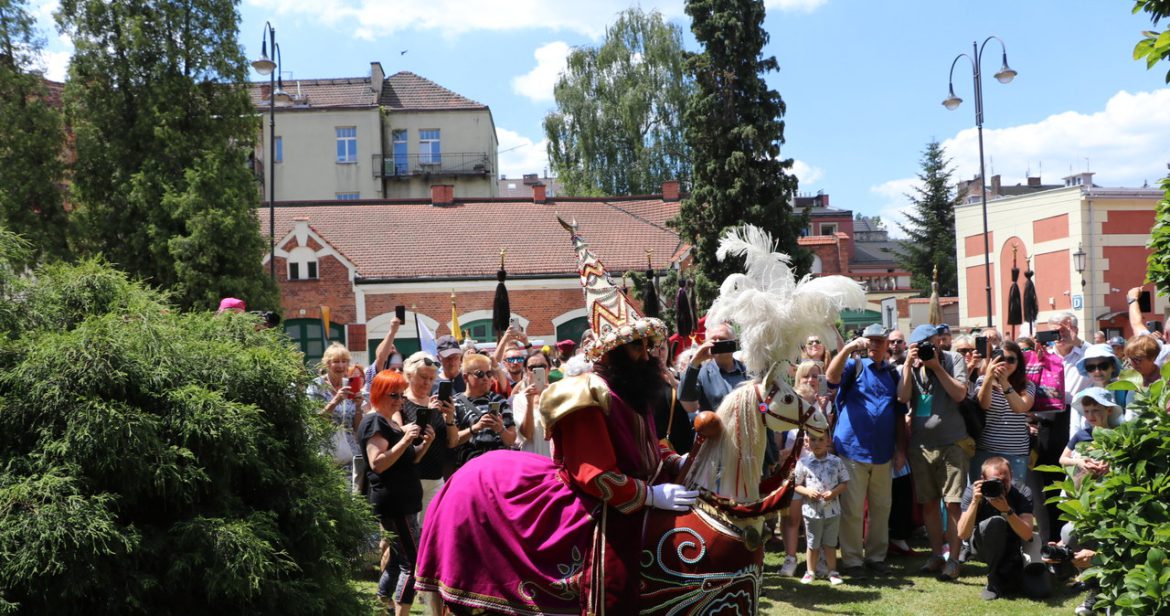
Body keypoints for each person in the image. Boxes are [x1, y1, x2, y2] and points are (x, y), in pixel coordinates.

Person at [414, 218, 694, 613]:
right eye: (636, 347)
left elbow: (646, 449)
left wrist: (674, 461)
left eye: (647, 345)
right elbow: (592, 474)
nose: (647, 354)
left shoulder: (638, 394)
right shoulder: (588, 395)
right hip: (586, 501)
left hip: (628, 495)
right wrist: (649, 495)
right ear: (613, 352)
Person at [825, 323, 903, 577]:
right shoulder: (853, 365)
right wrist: (847, 348)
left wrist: (900, 448)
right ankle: (853, 561)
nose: (874, 345)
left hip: (882, 452)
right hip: (852, 449)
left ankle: (876, 557)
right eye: (870, 340)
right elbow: (831, 377)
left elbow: (900, 415)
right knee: (853, 509)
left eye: (879, 341)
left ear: (887, 345)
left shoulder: (893, 374)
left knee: (882, 508)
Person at [358, 369, 435, 615]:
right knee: (413, 563)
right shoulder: (374, 421)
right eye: (394, 394)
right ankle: (401, 612)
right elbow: (377, 462)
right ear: (379, 393)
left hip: (405, 500)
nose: (399, 400)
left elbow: (409, 459)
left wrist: (425, 444)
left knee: (395, 561)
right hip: (394, 502)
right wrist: (404, 440)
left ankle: (383, 602)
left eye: (401, 395)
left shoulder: (391, 420)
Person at [898, 324, 970, 581]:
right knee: (928, 503)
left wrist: (936, 366)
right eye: (920, 346)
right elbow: (903, 397)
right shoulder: (912, 367)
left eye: (930, 343)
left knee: (952, 504)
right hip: (921, 446)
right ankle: (936, 554)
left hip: (952, 443)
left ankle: (954, 559)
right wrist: (908, 366)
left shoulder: (954, 359)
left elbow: (960, 394)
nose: (927, 349)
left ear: (939, 341)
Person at [778, 360, 834, 575]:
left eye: (815, 376)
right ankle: (790, 558)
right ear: (798, 378)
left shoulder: (825, 405)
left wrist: (821, 408)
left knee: (818, 518)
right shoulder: (787, 404)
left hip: (819, 470)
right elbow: (780, 435)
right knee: (791, 517)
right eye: (806, 376)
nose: (811, 380)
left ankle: (818, 558)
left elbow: (826, 435)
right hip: (794, 469)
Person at [957, 457, 1035, 601]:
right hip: (982, 545)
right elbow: (962, 533)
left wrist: (1007, 511)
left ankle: (1011, 572)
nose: (1001, 486)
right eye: (995, 481)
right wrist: (975, 502)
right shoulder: (973, 491)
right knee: (996, 522)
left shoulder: (1022, 491)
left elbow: (1027, 534)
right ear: (983, 479)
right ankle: (994, 580)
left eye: (1005, 481)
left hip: (1014, 545)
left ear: (1011, 474)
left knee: (1039, 591)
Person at [398, 352, 458, 524]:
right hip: (411, 476)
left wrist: (450, 418)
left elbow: (452, 442)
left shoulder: (435, 402)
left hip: (435, 477)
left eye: (432, 379)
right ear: (409, 375)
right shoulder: (400, 401)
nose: (427, 383)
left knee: (433, 530)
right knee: (408, 534)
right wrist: (430, 413)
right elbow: (399, 433)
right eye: (423, 377)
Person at [794, 432, 850, 586]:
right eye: (813, 440)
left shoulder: (836, 461)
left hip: (833, 511)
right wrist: (808, 492)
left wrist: (833, 493)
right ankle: (810, 572)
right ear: (807, 441)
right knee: (813, 544)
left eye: (820, 440)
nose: (816, 443)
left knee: (830, 544)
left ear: (828, 441)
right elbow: (796, 484)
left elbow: (844, 482)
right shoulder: (803, 462)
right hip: (811, 512)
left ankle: (832, 572)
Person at [306, 343, 364, 482]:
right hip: (327, 453)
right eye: (336, 361)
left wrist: (357, 407)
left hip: (350, 455)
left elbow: (357, 428)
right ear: (327, 364)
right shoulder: (317, 386)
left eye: (344, 361)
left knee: (353, 497)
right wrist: (336, 400)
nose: (341, 366)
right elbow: (315, 421)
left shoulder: (349, 384)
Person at [451, 352, 516, 468]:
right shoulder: (455, 403)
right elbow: (452, 441)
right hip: (471, 469)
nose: (486, 378)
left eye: (489, 374)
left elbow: (511, 440)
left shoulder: (500, 401)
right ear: (465, 377)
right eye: (480, 374)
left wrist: (501, 429)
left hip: (500, 467)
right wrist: (476, 428)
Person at [510, 349, 553, 457]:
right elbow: (527, 435)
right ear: (525, 370)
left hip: (555, 456)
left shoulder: (558, 393)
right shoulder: (519, 399)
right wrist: (529, 401)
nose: (536, 370)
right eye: (532, 368)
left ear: (549, 369)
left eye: (542, 366)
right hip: (531, 456)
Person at [1074, 344, 1125, 423]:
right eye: (1091, 367)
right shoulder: (1079, 397)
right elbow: (1075, 429)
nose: (1097, 371)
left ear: (1113, 367)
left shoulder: (1125, 393)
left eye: (1103, 366)